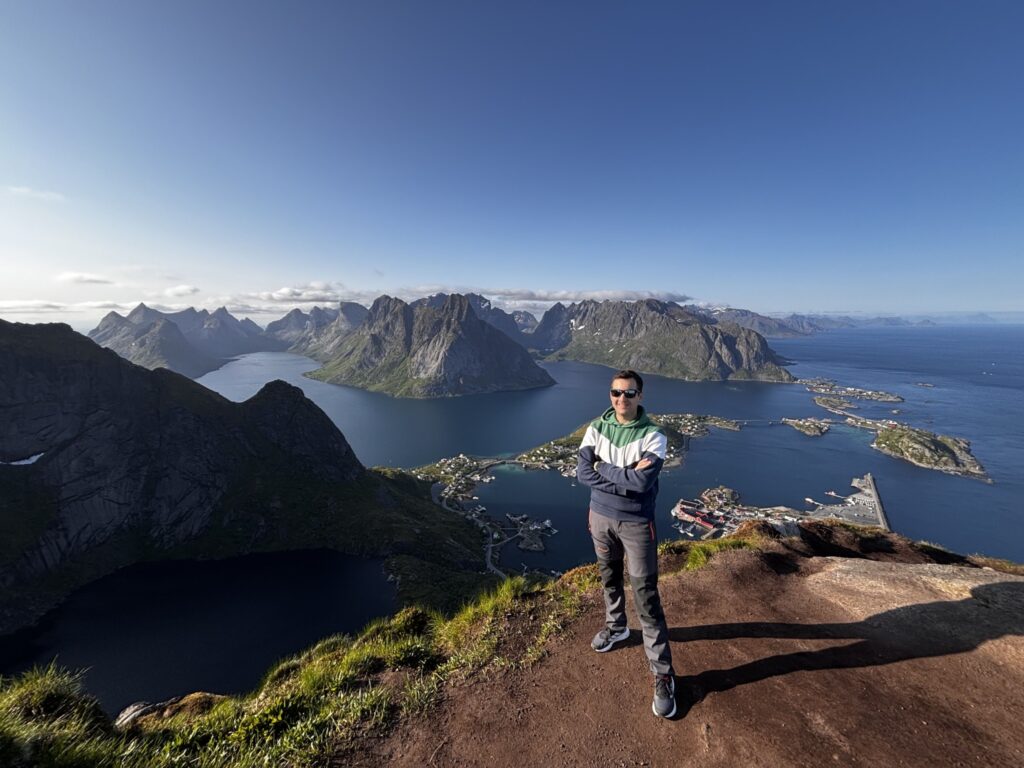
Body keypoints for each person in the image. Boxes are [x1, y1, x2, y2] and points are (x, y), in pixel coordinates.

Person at [576, 369, 676, 718]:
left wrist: (603, 469)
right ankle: (617, 627)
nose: (622, 399)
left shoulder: (654, 435)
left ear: (640, 396)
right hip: (599, 519)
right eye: (616, 393)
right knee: (608, 577)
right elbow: (581, 472)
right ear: (610, 395)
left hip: (636, 524)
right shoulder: (596, 428)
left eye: (630, 393)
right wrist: (623, 475)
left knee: (646, 594)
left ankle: (662, 674)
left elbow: (642, 483)